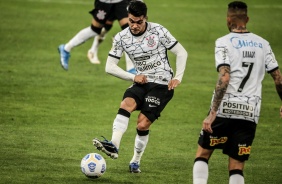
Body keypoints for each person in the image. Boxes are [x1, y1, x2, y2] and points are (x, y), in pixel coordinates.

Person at [92, 0, 188, 173]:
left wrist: (178, 78)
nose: (134, 26)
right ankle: (114, 145)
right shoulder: (122, 38)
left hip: (162, 83)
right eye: (131, 21)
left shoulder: (158, 31)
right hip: (141, 81)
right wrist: (133, 76)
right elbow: (109, 67)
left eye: (139, 22)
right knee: (126, 104)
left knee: (142, 125)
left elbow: (181, 52)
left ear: (145, 19)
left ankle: (135, 160)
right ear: (127, 18)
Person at [192, 1, 282, 184]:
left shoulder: (223, 42)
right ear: (247, 19)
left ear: (228, 19)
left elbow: (224, 77)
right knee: (237, 166)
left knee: (203, 153)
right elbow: (278, 78)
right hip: (250, 113)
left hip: (225, 109)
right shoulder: (263, 44)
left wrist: (212, 113)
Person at [58, 0, 135, 73]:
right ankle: (66, 48)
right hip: (105, 3)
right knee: (95, 30)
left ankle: (131, 68)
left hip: (120, 2)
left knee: (129, 31)